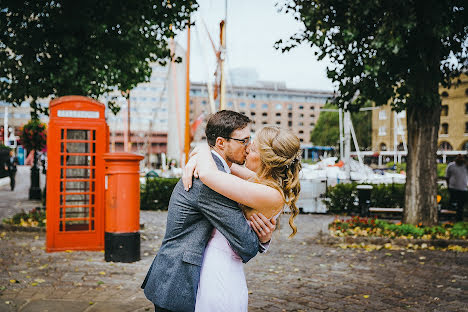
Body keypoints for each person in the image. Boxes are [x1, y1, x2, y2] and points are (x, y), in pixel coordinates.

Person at [141, 110, 276, 312]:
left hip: (176, 276)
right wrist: (262, 240)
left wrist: (200, 150)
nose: (248, 148)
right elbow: (246, 245)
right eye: (244, 141)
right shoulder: (211, 183)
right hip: (177, 282)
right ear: (221, 143)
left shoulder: (218, 172)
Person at [182, 124, 302, 312]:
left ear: (266, 160)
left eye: (252, 148)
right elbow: (224, 165)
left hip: (221, 268)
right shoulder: (260, 181)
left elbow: (208, 173)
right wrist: (196, 158)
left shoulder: (270, 194)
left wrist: (205, 147)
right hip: (213, 262)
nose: (246, 149)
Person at [446, 154, 468, 221]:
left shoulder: (465, 166)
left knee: (461, 205)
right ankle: (450, 218)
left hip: (463, 189)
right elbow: (447, 177)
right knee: (452, 205)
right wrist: (448, 186)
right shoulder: (451, 166)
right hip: (453, 188)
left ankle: (459, 219)